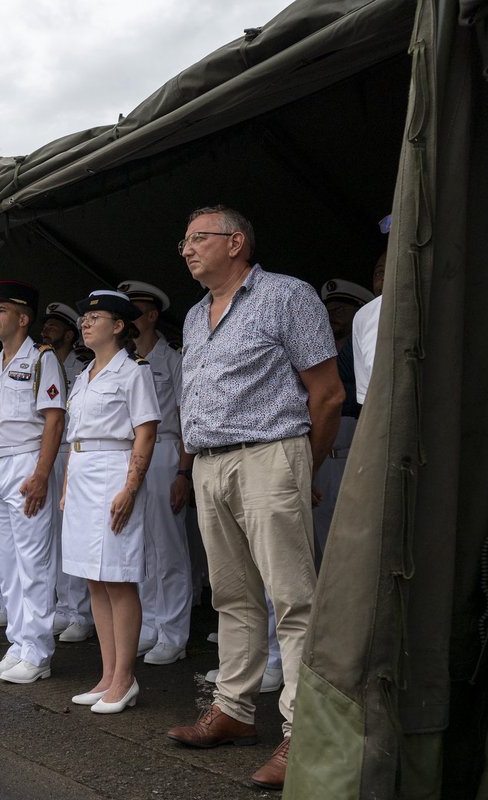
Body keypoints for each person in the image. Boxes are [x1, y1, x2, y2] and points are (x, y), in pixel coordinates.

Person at [166, 206, 344, 790]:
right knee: (232, 596)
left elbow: (327, 394)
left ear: (236, 242)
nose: (186, 249)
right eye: (185, 241)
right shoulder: (194, 317)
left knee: (293, 600)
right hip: (210, 464)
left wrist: (302, 467)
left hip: (270, 452)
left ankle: (304, 731)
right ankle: (235, 712)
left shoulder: (286, 296)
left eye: (198, 238)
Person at [61, 291, 160, 714]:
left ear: (118, 327)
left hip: (113, 472)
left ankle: (125, 678)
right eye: (85, 317)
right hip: (83, 473)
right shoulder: (84, 375)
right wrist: (66, 484)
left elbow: (146, 431)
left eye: (95, 317)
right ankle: (106, 675)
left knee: (118, 577)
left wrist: (130, 487)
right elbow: (75, 439)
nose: (85, 323)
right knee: (93, 579)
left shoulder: (133, 372)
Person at [0, 280, 66, 684]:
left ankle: (39, 651)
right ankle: (18, 643)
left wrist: (42, 474)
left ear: (24, 319)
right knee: (6, 567)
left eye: (2, 310)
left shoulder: (42, 360)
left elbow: (54, 418)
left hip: (25, 463)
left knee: (33, 564)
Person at [118, 279, 193, 665]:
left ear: (150, 316)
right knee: (138, 545)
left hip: (164, 450)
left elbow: (185, 418)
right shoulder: (126, 362)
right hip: (131, 454)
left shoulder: (173, 360)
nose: (129, 318)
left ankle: (174, 632)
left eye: (136, 310)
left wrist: (183, 472)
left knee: (168, 548)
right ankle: (148, 624)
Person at [40, 302, 95, 644]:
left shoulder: (83, 367)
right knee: (52, 536)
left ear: (70, 333)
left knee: (76, 535)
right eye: (45, 325)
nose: (46, 330)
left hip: (73, 452)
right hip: (48, 453)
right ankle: (62, 606)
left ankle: (80, 612)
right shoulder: (40, 364)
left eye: (54, 326)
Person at [314, 278, 374, 564]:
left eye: (340, 310)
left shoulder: (360, 348)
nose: (331, 316)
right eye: (329, 310)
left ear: (358, 312)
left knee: (354, 534)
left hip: (352, 453)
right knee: (321, 533)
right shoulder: (315, 352)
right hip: (322, 454)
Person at [352, 247, 389, 404]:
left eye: (391, 269)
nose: (383, 279)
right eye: (379, 273)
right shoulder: (364, 316)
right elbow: (366, 398)